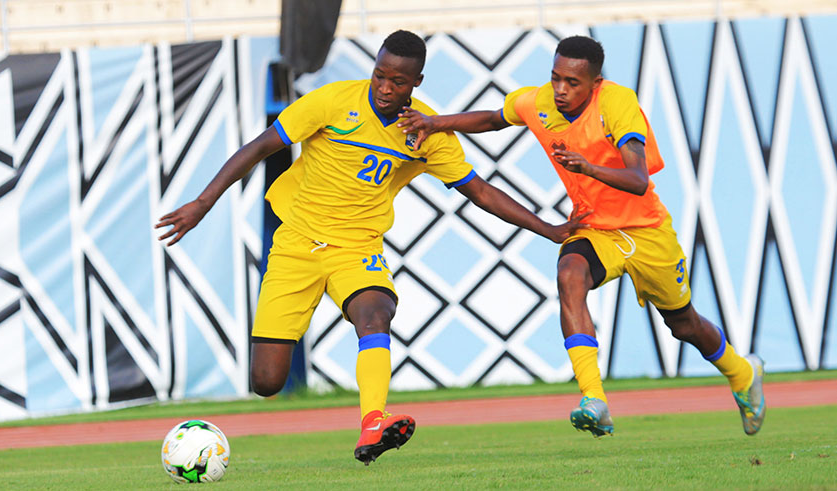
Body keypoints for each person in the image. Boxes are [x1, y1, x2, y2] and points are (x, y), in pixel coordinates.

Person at [155, 30, 589, 464]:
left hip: (357, 249)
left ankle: (373, 423)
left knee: (376, 312)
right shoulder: (332, 102)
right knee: (267, 381)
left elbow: (480, 191)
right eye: (379, 76)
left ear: (416, 82)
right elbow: (259, 147)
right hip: (296, 244)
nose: (384, 88)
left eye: (398, 82)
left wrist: (546, 228)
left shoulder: (425, 130)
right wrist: (201, 203)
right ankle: (355, 410)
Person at [397, 35, 766, 438]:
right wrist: (434, 122)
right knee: (569, 273)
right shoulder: (538, 102)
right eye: (556, 78)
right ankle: (594, 399)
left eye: (572, 83)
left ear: (595, 82)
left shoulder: (617, 103)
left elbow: (639, 179)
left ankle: (742, 373)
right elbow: (491, 119)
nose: (560, 90)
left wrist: (588, 168)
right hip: (594, 229)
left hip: (646, 232)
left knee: (684, 325)